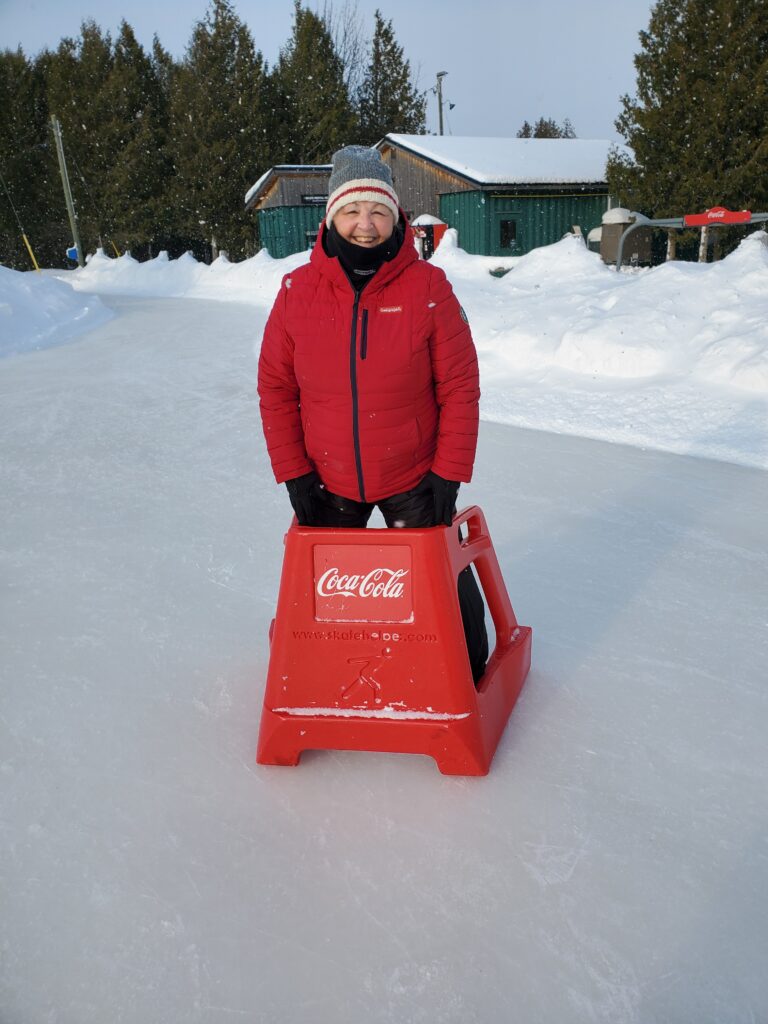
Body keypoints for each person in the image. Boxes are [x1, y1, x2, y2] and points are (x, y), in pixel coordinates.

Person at [258, 145, 488, 682]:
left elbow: (460, 386)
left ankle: (469, 671)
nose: (365, 225)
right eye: (352, 211)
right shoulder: (297, 292)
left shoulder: (428, 289)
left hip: (414, 475)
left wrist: (447, 474)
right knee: (325, 585)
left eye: (378, 211)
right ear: (332, 216)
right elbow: (275, 389)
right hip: (328, 477)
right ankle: (327, 666)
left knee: (440, 579)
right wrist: (294, 474)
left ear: (396, 217)